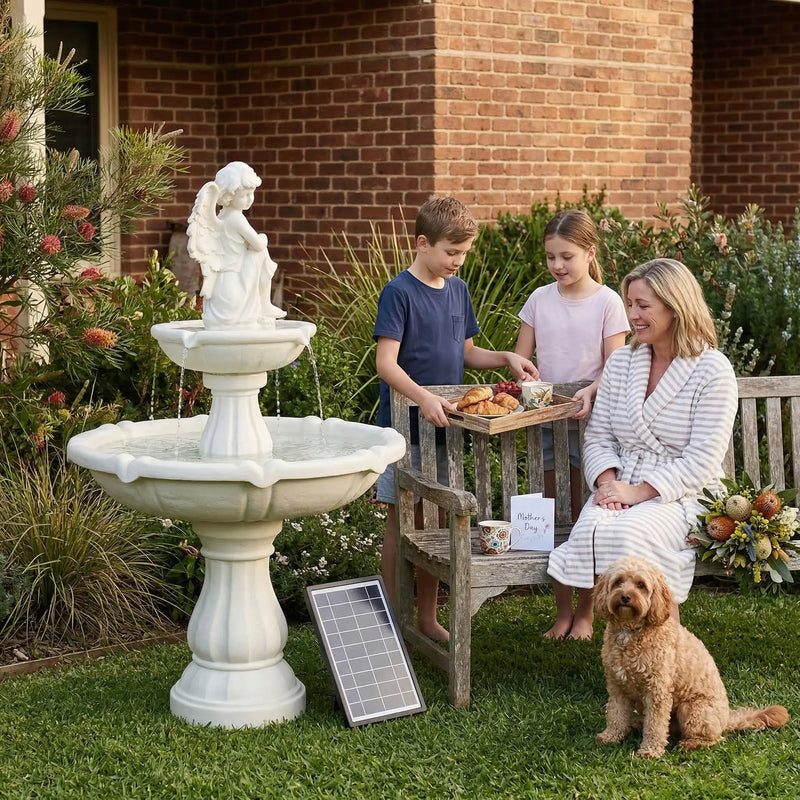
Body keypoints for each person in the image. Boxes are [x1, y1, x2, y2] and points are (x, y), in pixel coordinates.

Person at [545, 258, 738, 640]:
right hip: (619, 484)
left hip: (683, 494)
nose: (632, 314)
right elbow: (599, 436)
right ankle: (620, 643)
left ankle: (664, 645)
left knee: (631, 533)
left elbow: (702, 460)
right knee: (591, 529)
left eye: (643, 305)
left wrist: (638, 493)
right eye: (630, 303)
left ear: (675, 307)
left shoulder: (712, 370)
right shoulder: (622, 362)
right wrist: (609, 485)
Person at [374, 196, 538, 642]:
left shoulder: (458, 291)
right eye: (451, 252)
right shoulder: (399, 293)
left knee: (434, 525)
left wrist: (505, 356)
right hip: (405, 431)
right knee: (401, 523)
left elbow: (467, 352)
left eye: (464, 253)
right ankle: (394, 620)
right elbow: (386, 363)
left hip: (446, 429)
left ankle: (427, 620)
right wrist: (424, 398)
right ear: (422, 243)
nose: (458, 261)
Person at [514, 209, 629, 525]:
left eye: (567, 257)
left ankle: (586, 548)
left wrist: (590, 390)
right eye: (550, 257)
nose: (557, 265)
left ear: (590, 253)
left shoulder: (607, 302)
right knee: (547, 491)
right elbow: (522, 359)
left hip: (591, 420)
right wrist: (524, 375)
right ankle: (549, 551)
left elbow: (615, 366)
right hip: (546, 417)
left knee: (585, 496)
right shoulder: (539, 299)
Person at [187, 161, 286, 330]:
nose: (250, 199)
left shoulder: (222, 217)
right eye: (244, 195)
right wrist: (263, 238)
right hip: (234, 288)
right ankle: (265, 303)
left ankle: (264, 304)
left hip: (223, 288)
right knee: (260, 251)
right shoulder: (237, 219)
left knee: (257, 250)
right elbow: (258, 245)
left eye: (251, 194)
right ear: (229, 196)